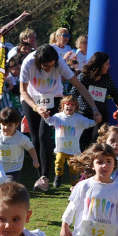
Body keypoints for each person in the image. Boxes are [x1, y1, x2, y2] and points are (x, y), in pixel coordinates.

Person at [19, 45, 98, 192]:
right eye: (44, 66)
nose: (48, 70)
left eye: (50, 66)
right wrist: (36, 107)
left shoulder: (60, 63)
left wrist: (94, 108)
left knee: (44, 135)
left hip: (53, 98)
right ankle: (40, 177)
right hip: (31, 98)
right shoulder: (28, 62)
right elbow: (23, 90)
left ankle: (45, 176)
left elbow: (79, 86)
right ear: (37, 61)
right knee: (35, 137)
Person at [43, 95, 95, 187]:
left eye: (73, 104)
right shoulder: (58, 117)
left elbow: (89, 123)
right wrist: (46, 116)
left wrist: (96, 120)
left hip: (73, 149)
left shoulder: (78, 118)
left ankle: (74, 185)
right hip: (61, 148)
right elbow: (49, 121)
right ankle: (58, 176)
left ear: (76, 107)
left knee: (73, 167)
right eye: (67, 104)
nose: (70, 106)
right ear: (63, 106)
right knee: (58, 161)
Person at [75, 52, 118, 150]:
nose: (109, 66)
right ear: (99, 65)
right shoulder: (84, 76)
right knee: (84, 140)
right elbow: (74, 92)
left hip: (101, 114)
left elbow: (114, 93)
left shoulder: (106, 78)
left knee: (97, 138)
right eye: (107, 64)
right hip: (84, 113)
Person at [0, 107, 38, 183]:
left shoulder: (21, 138)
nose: (6, 127)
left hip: (13, 170)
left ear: (16, 125)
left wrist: (35, 160)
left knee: (9, 185)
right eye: (3, 124)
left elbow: (30, 148)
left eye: (10, 125)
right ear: (0, 123)